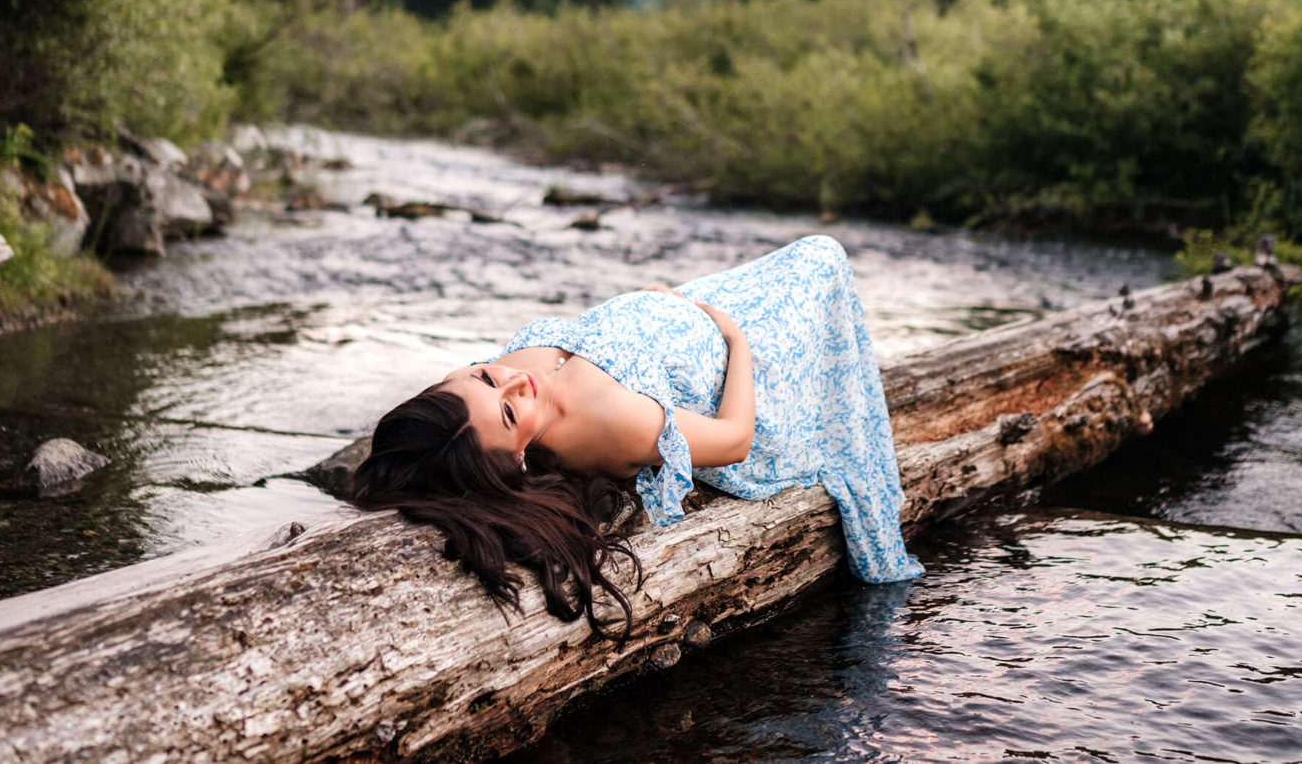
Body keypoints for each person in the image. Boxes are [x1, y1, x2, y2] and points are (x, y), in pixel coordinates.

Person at [349, 234, 922, 640]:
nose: (514, 382)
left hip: (683, 306)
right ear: (518, 458)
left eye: (484, 376)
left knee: (819, 252)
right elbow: (734, 439)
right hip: (748, 361)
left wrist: (652, 305)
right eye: (506, 412)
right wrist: (737, 339)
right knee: (824, 256)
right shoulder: (605, 424)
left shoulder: (470, 393)